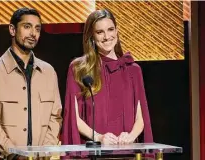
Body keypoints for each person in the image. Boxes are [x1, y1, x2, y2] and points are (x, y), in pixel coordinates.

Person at [0, 7, 62, 160]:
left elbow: (55, 117)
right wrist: (13, 152)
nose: (33, 34)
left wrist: (45, 151)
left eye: (37, 28)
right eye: (27, 26)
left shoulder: (49, 72)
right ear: (12, 29)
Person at [61, 9, 153, 145]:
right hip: (93, 151)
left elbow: (141, 117)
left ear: (117, 31)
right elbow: (73, 118)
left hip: (127, 151)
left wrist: (130, 136)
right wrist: (98, 137)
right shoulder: (78, 68)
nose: (106, 36)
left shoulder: (133, 70)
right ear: (92, 36)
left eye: (110, 29)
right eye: (100, 32)